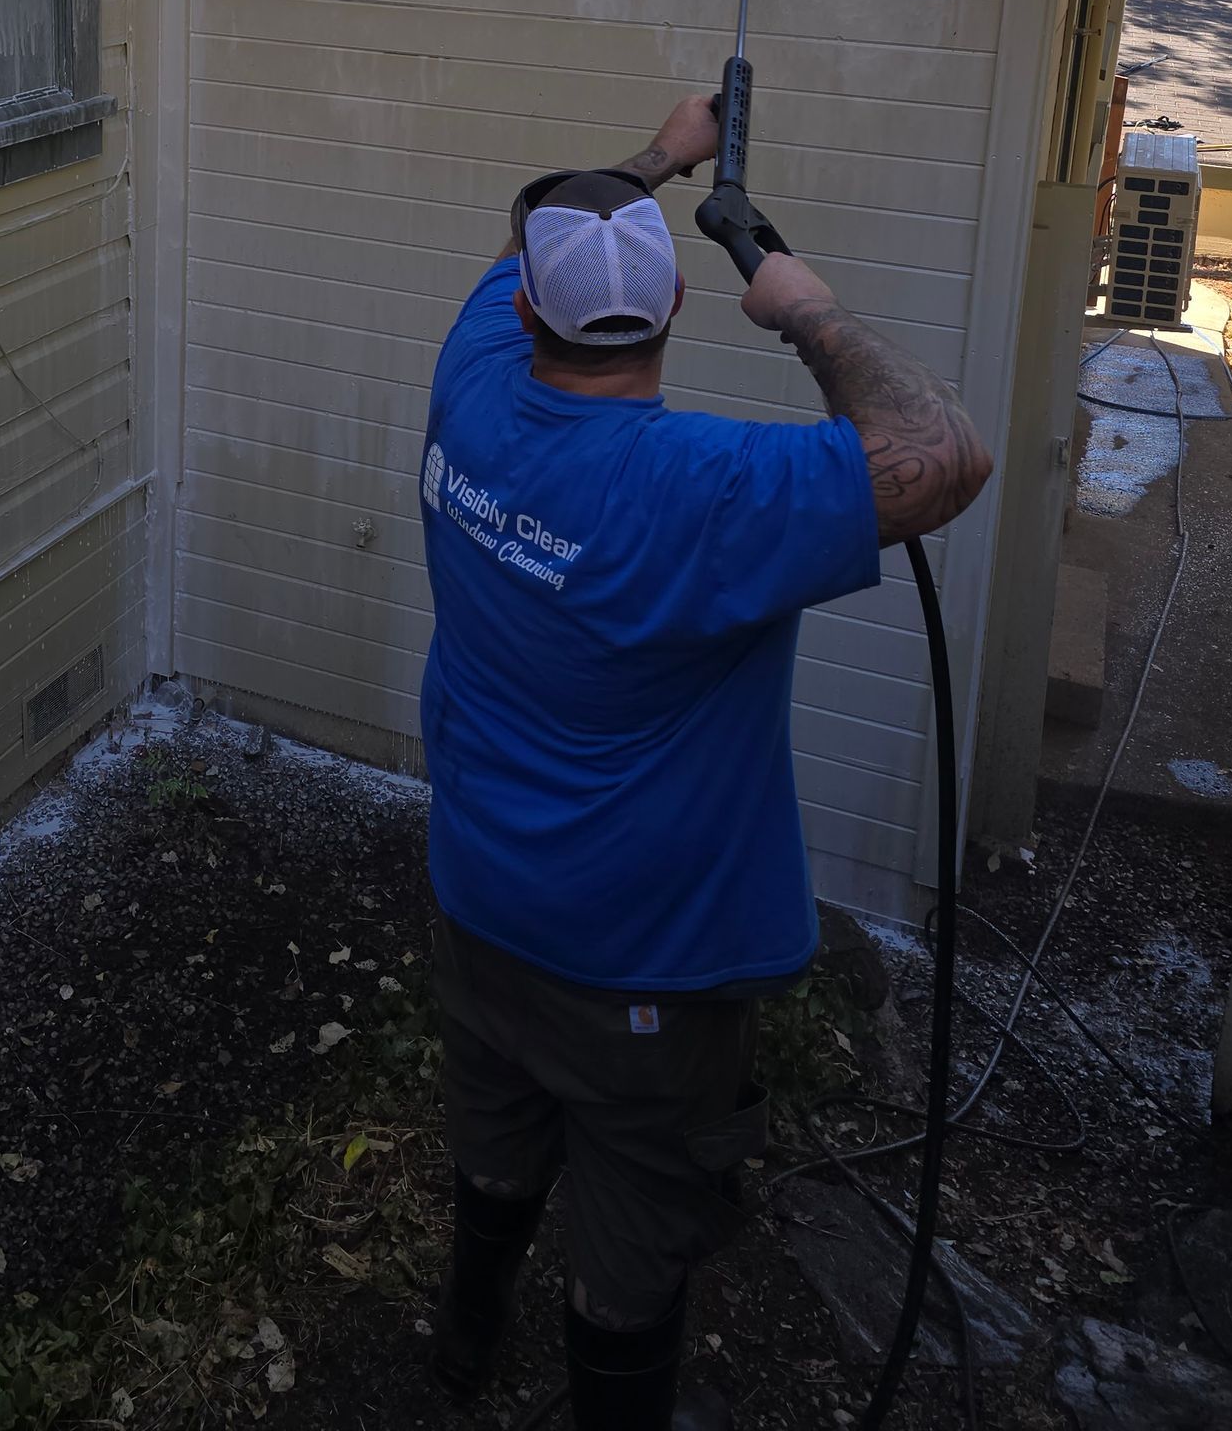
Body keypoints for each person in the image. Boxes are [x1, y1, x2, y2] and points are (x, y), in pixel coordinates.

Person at [418, 93, 992, 1430]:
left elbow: (540, 231)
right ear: (676, 297)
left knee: (495, 1147)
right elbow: (942, 457)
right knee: (630, 1262)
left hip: (481, 906)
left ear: (523, 307)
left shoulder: (471, 376)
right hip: (645, 977)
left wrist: (658, 157)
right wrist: (805, 308)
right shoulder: (703, 490)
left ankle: (461, 1342)